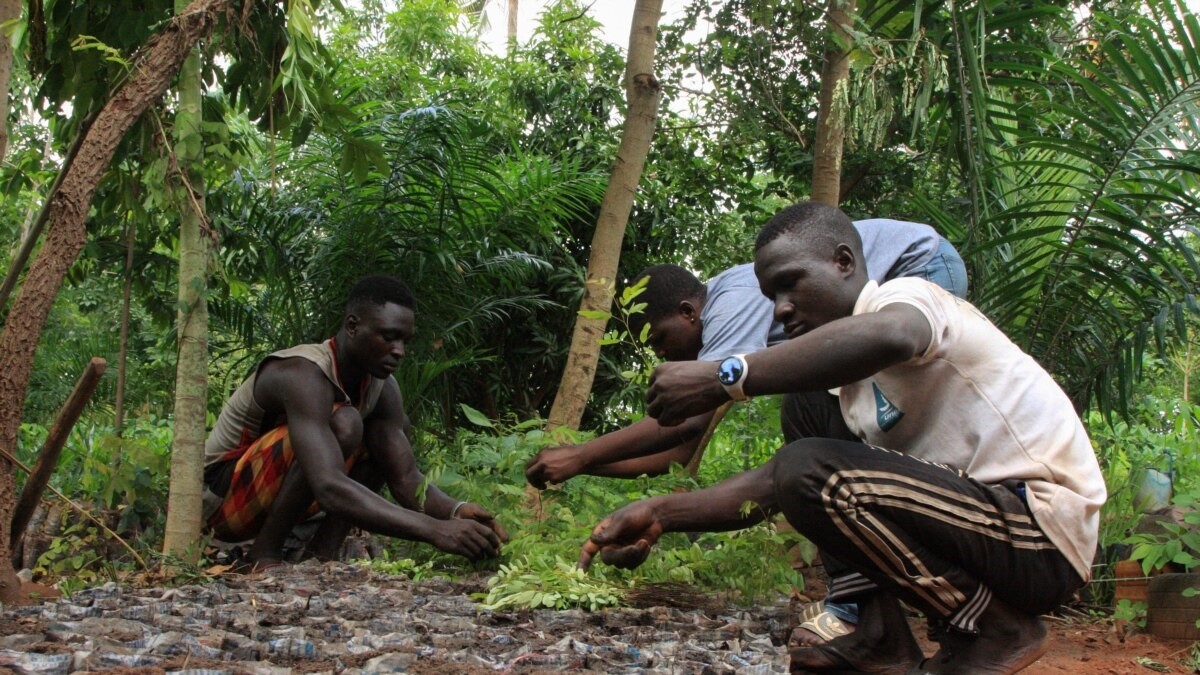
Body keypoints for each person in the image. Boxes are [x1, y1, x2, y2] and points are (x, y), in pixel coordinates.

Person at [578, 202, 1105, 674]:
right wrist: (661, 514)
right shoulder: (845, 393)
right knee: (804, 422)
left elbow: (892, 336)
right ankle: (879, 636)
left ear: (844, 263)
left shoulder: (908, 296)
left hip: (1038, 531)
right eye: (770, 296)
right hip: (979, 531)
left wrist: (727, 375)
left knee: (807, 466)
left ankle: (996, 630)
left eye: (790, 284)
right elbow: (772, 485)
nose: (780, 309)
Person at [525, 217, 968, 643]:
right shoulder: (723, 318)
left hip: (920, 261)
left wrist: (580, 453)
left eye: (661, 340)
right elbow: (676, 453)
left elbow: (687, 422)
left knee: (876, 422)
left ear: (688, 313)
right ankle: (868, 607)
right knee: (818, 414)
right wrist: (581, 467)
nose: (662, 353)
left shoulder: (728, 303)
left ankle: (896, 597)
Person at [202, 275, 507, 568]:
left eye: (404, 341)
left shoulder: (382, 387)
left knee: (382, 437)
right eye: (388, 337)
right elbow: (328, 485)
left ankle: (320, 556)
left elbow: (405, 478)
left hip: (273, 500)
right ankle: (263, 556)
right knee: (346, 424)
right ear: (352, 326)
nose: (399, 351)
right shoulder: (302, 373)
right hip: (219, 503)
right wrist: (433, 530)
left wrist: (455, 512)